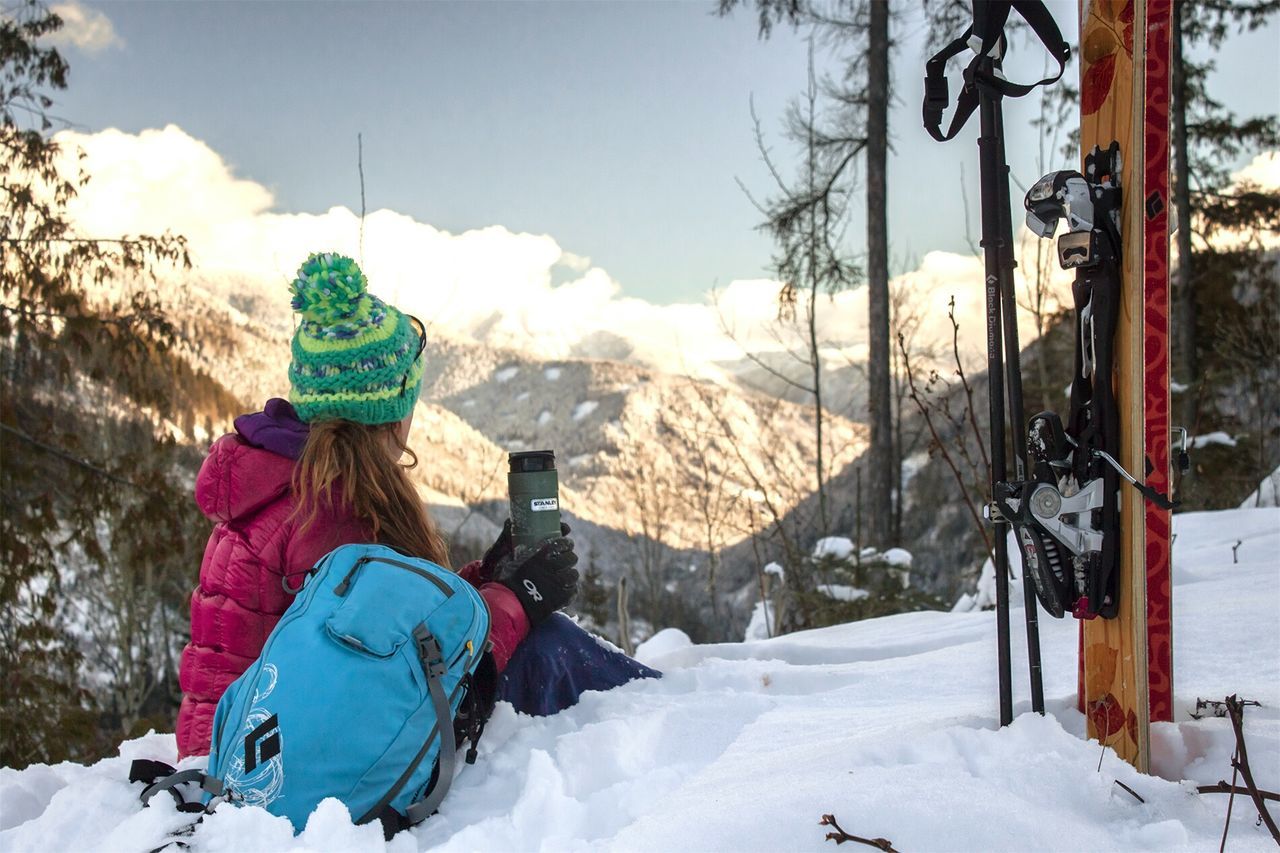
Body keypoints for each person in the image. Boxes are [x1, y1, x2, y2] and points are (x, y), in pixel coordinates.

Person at [175, 252, 580, 759]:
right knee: (552, 649)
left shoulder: (284, 484)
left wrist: (490, 576)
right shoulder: (332, 514)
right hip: (282, 773)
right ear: (391, 413)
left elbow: (388, 634)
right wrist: (519, 599)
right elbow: (412, 683)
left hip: (236, 750)